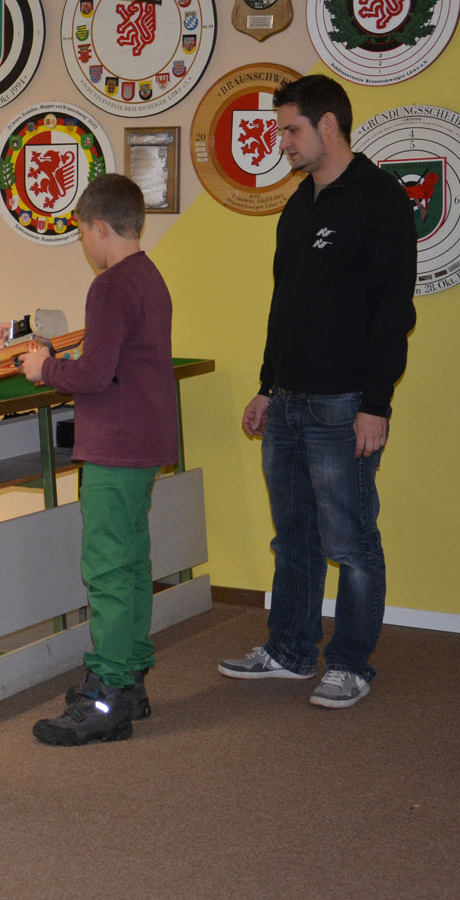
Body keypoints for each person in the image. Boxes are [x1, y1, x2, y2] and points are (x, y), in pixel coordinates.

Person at [218, 74, 417, 709]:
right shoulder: (298, 204)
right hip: (288, 401)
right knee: (293, 537)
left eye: (291, 129)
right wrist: (266, 387)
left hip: (344, 403)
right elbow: (285, 305)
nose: (281, 141)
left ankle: (351, 663)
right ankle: (291, 650)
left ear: (328, 125)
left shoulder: (380, 200)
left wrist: (375, 404)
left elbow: (393, 312)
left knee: (350, 543)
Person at [9, 173, 178, 746]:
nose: (84, 243)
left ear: (99, 227)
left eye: (82, 232)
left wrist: (43, 369)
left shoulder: (108, 287)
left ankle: (107, 696)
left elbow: (94, 374)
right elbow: (116, 359)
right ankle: (129, 678)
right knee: (131, 564)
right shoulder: (149, 276)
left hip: (115, 446)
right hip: (145, 441)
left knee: (106, 570)